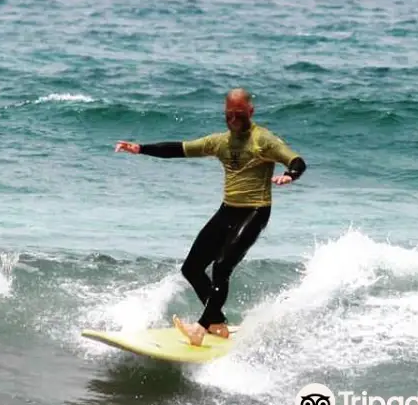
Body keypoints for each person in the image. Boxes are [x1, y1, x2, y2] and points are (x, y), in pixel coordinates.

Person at [114, 88, 306, 346]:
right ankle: (216, 322)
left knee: (222, 266)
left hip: (255, 210)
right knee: (191, 268)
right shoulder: (220, 142)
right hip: (228, 210)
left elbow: (295, 160)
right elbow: (180, 149)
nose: (234, 119)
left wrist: (290, 175)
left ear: (251, 111)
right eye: (229, 115)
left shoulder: (264, 140)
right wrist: (140, 148)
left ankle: (201, 328)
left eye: (239, 114)